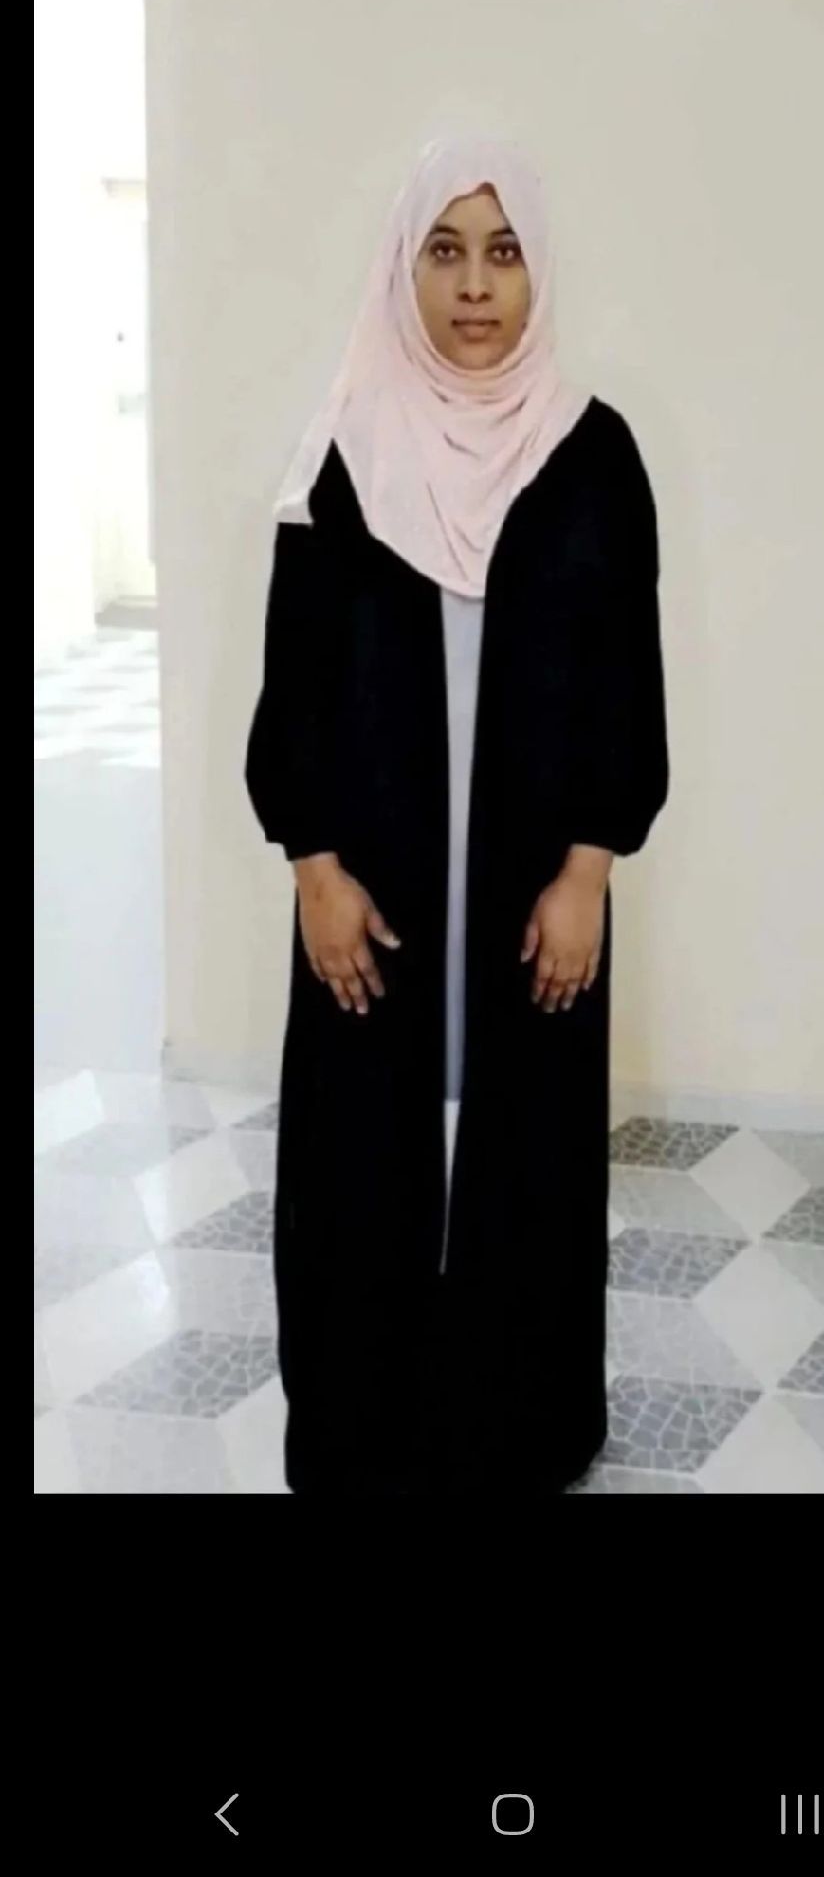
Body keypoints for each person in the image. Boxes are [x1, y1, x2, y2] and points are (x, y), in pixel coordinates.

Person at [245, 134, 669, 1496]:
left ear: (537, 272)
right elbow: (294, 684)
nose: (475, 285)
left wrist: (589, 871)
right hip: (368, 893)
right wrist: (312, 867)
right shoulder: (342, 456)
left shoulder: (593, 455)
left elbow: (627, 685)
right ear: (404, 268)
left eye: (502, 251)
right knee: (358, 1154)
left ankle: (519, 1427)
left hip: (537, 890)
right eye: (444, 250)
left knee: (528, 1151)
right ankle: (358, 1426)